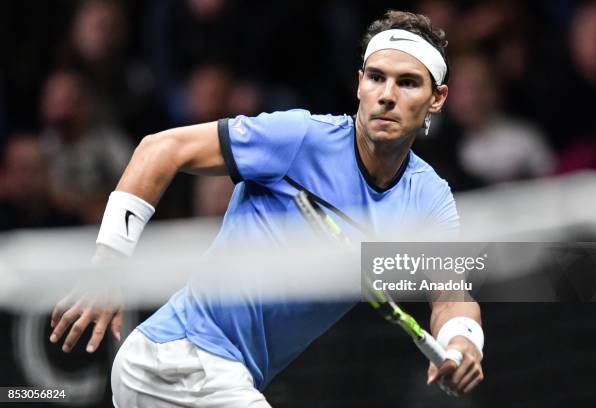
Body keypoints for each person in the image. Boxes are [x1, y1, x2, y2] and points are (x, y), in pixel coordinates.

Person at [49, 10, 484, 407]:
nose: (387, 95)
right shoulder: (298, 139)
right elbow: (160, 149)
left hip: (229, 377)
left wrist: (462, 344)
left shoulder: (429, 198)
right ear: (358, 85)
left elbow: (452, 297)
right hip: (177, 362)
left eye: (407, 82)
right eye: (376, 78)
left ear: (437, 98)